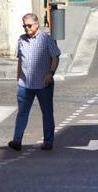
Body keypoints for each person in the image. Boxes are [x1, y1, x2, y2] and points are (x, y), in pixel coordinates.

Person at [8, 13, 61, 151]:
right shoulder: (21, 40)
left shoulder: (46, 39)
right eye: (24, 25)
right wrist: (18, 78)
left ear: (37, 25)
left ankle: (48, 141)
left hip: (43, 83)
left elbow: (55, 57)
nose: (27, 28)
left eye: (29, 25)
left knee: (47, 112)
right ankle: (17, 141)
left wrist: (51, 73)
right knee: (22, 113)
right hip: (25, 84)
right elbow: (20, 60)